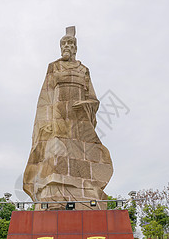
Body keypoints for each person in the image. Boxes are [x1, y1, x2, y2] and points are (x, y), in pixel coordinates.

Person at [23, 26, 113, 210]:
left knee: (81, 153)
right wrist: (45, 123)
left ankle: (85, 191)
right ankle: (54, 193)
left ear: (75, 47)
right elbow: (44, 99)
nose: (67, 46)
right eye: (64, 43)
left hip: (79, 121)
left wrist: (86, 105)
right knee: (57, 153)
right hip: (58, 118)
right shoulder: (54, 67)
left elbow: (93, 99)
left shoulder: (84, 70)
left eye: (70, 43)